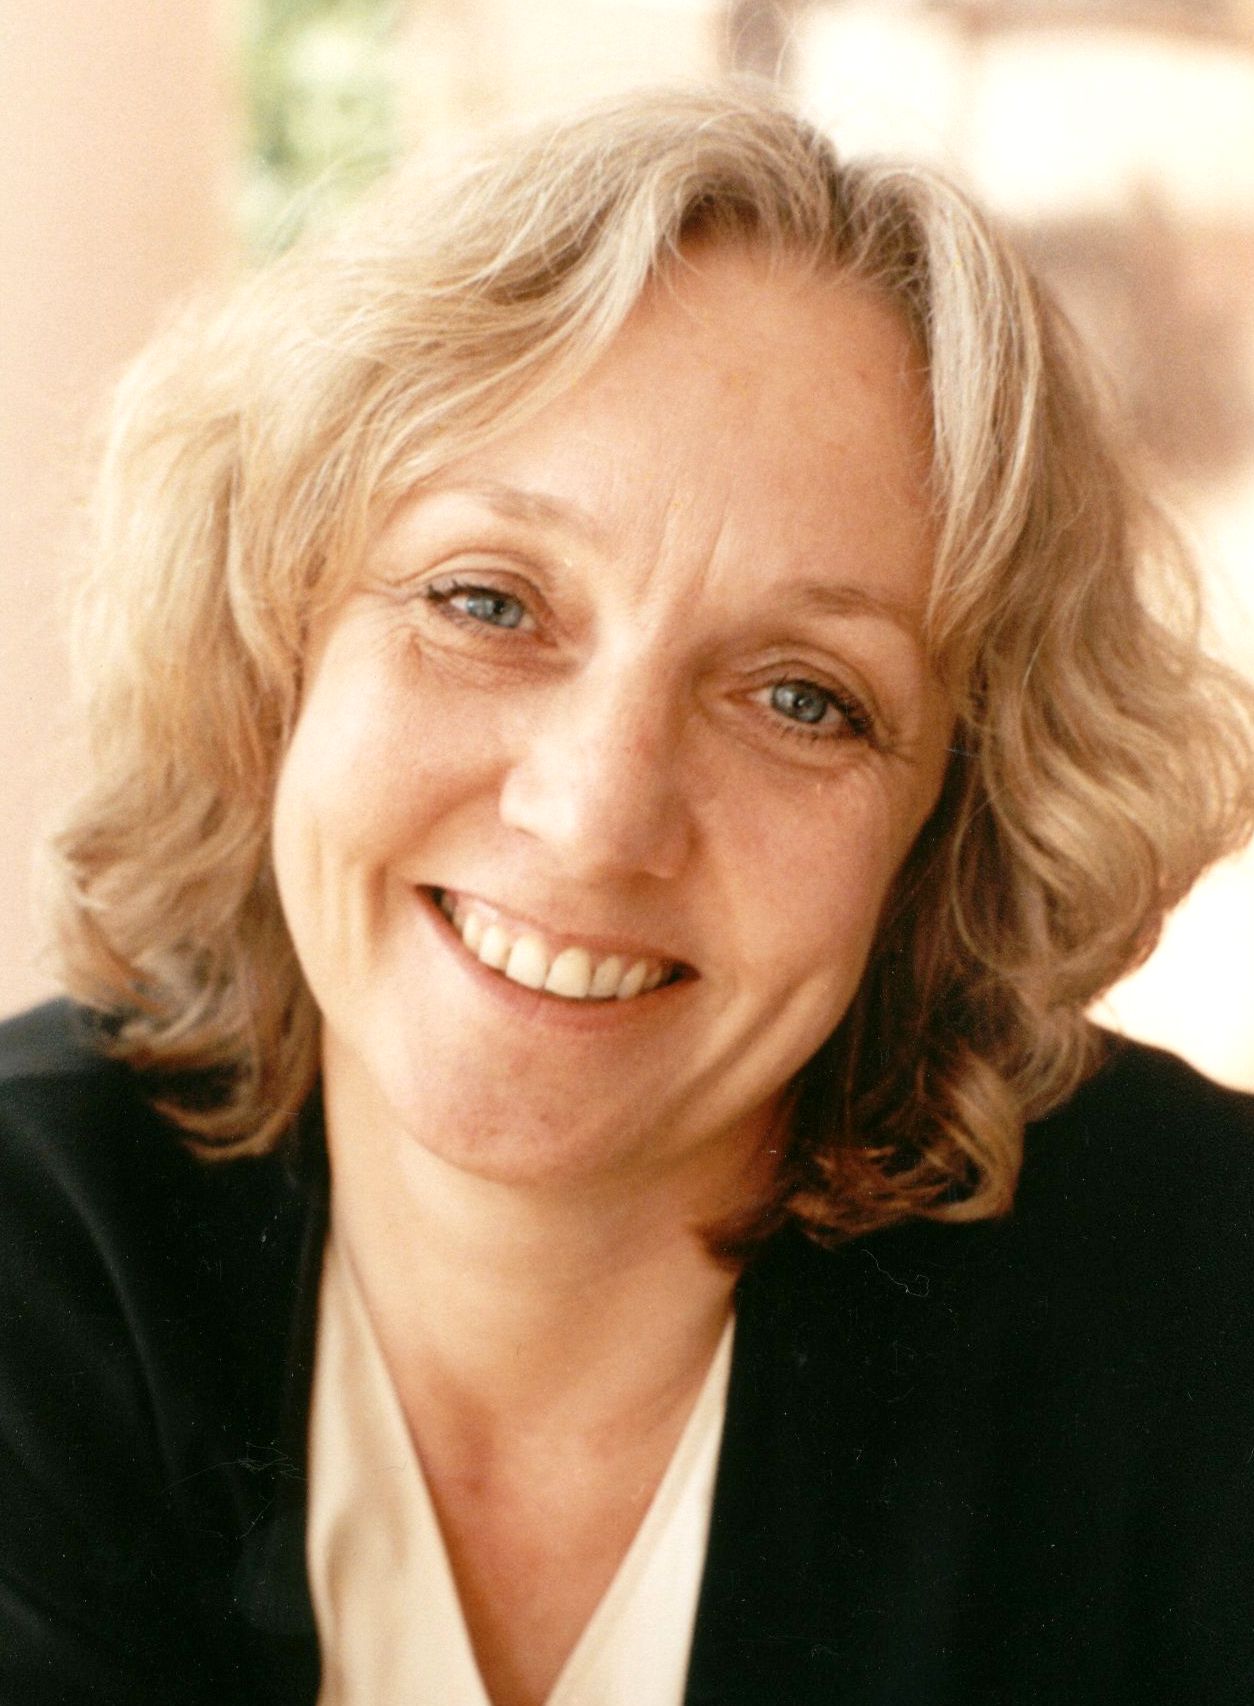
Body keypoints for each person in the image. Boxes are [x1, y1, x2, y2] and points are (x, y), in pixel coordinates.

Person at [2, 85, 1252, 1706]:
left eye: (802, 697)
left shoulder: (1204, 1302)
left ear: (949, 829)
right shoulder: (34, 1249)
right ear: (273, 644)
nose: (595, 817)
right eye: (486, 601)